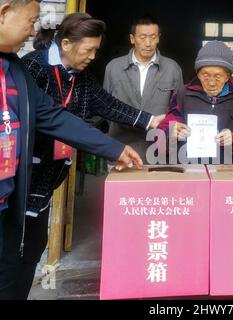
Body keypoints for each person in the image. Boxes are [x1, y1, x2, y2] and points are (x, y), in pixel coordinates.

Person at [0, 0, 143, 300]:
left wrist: (114, 148)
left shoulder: (14, 70)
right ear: (4, 12)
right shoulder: (33, 66)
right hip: (27, 181)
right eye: (30, 20)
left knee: (16, 267)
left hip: (14, 196)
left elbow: (54, 115)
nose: (33, 31)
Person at [158, 40, 233, 164]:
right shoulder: (183, 94)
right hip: (189, 169)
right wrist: (170, 132)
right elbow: (159, 139)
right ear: (198, 74)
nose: (212, 82)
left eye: (218, 76)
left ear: (228, 75)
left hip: (229, 172)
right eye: (205, 75)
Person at [104, 14, 183, 163]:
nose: (148, 43)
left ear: (158, 38)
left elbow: (178, 110)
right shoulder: (113, 68)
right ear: (132, 39)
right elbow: (105, 108)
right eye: (142, 37)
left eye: (153, 37)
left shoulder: (172, 69)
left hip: (159, 153)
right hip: (121, 150)